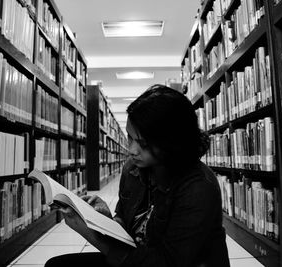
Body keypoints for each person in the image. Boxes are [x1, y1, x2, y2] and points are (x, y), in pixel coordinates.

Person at [45, 84, 230, 267]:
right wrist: (104, 219)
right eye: (130, 137)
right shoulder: (133, 169)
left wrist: (93, 237)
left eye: (143, 143)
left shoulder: (198, 187)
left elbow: (167, 262)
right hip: (135, 257)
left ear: (171, 143)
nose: (132, 150)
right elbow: (126, 224)